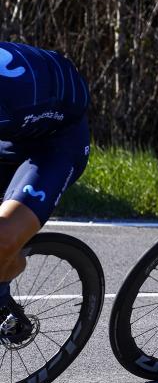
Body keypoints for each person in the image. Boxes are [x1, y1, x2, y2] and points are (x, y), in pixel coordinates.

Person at [0, 42, 91, 343]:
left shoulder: (17, 98)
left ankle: (3, 291)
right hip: (13, 131)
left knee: (2, 238)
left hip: (57, 143)